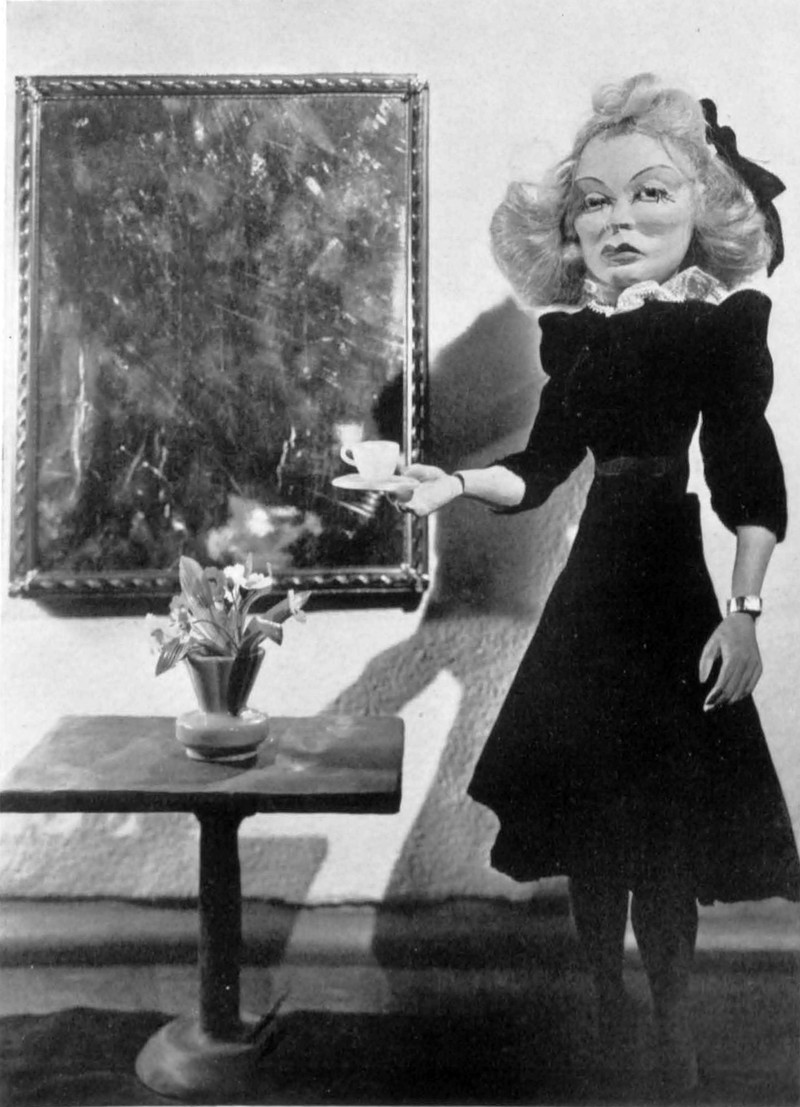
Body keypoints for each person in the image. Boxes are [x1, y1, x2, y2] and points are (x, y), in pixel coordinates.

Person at [394, 73, 800, 1099]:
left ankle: (672, 1017)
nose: (618, 220)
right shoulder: (575, 337)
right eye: (594, 202)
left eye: (649, 194)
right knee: (591, 832)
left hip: (671, 592)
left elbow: (748, 480)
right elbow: (538, 468)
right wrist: (455, 483)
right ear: (568, 232)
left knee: (663, 837)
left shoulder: (718, 329)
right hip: (590, 600)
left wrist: (743, 614)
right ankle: (606, 1001)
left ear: (703, 211)